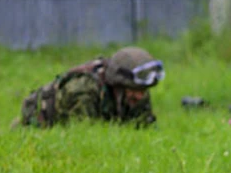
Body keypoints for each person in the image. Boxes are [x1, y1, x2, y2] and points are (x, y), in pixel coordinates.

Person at [17, 46, 162, 128]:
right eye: (135, 91)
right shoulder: (84, 91)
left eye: (143, 91)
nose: (140, 96)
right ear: (120, 83)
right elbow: (83, 137)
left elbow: (146, 129)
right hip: (36, 128)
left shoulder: (136, 95)